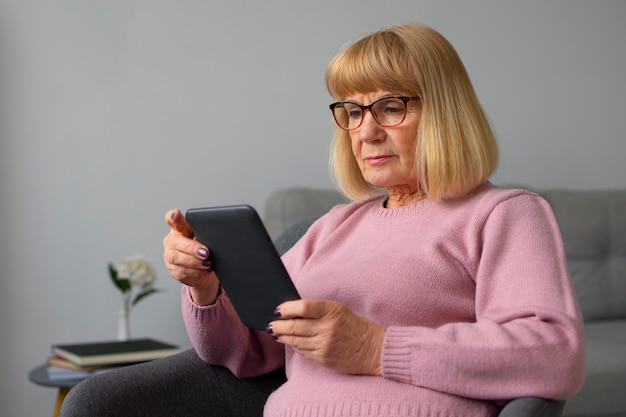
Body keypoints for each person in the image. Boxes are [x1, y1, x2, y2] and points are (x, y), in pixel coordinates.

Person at [60, 24, 584, 417]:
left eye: (390, 106)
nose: (366, 132)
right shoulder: (333, 226)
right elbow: (244, 355)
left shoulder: (504, 214)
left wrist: (378, 349)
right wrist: (206, 290)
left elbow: (553, 355)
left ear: (445, 111)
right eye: (352, 112)